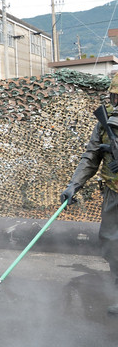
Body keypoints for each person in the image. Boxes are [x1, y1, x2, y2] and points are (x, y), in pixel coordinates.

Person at [61, 75, 118, 314]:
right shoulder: (105, 123)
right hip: (113, 192)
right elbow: (90, 156)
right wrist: (74, 185)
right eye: (115, 95)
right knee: (110, 241)